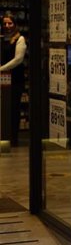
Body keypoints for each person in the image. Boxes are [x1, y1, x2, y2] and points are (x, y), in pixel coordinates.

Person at [1, 12, 26, 147]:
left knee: (13, 108)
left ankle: (13, 138)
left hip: (15, 79)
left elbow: (18, 59)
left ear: (15, 24)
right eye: (5, 23)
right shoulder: (2, 38)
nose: (7, 26)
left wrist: (2, 68)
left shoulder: (20, 39)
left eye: (9, 23)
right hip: (3, 79)